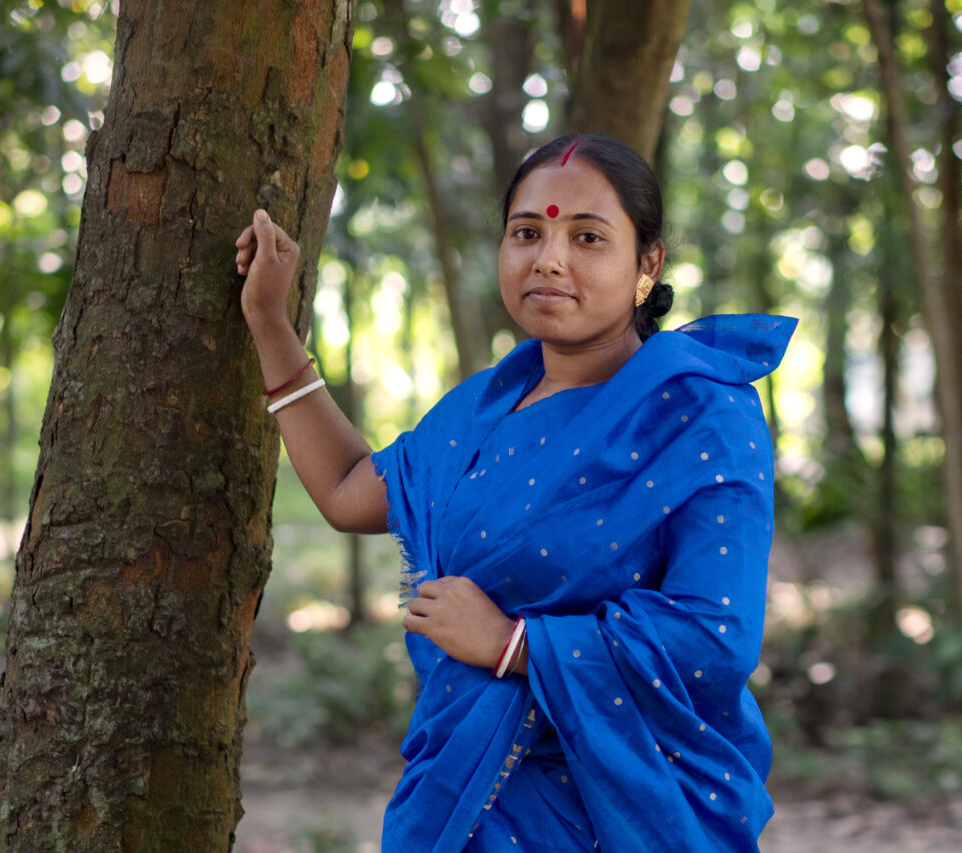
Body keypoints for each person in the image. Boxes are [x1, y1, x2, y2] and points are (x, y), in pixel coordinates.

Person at [235, 133, 795, 852]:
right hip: (463, 802)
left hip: (623, 812)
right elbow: (350, 491)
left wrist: (514, 644)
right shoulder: (486, 406)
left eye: (587, 237)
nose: (549, 258)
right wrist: (269, 323)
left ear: (646, 265)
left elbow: (712, 639)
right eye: (526, 232)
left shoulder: (702, 417)